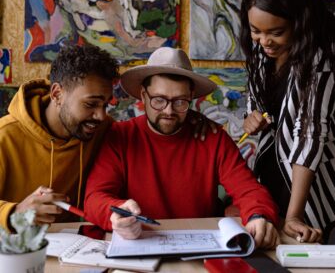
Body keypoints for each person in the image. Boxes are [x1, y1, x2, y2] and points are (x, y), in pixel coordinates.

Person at [84, 47, 280, 249]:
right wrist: (115, 214)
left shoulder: (213, 138)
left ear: (191, 97)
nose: (168, 111)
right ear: (143, 95)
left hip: (201, 249)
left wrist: (259, 215)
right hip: (137, 245)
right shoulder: (119, 137)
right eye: (159, 100)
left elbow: (248, 189)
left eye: (180, 102)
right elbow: (94, 198)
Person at [240, 0, 335, 243]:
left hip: (311, 188)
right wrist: (251, 118)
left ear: (300, 21)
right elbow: (257, 105)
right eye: (256, 31)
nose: (264, 41)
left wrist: (295, 215)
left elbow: (310, 134)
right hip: (273, 177)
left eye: (276, 32)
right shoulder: (262, 50)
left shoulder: (321, 59)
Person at [0, 45, 119, 230]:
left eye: (105, 105)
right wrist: (15, 212)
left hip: (75, 248)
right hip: (13, 250)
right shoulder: (4, 136)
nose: (101, 115)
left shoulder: (103, 130)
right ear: (57, 94)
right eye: (91, 104)